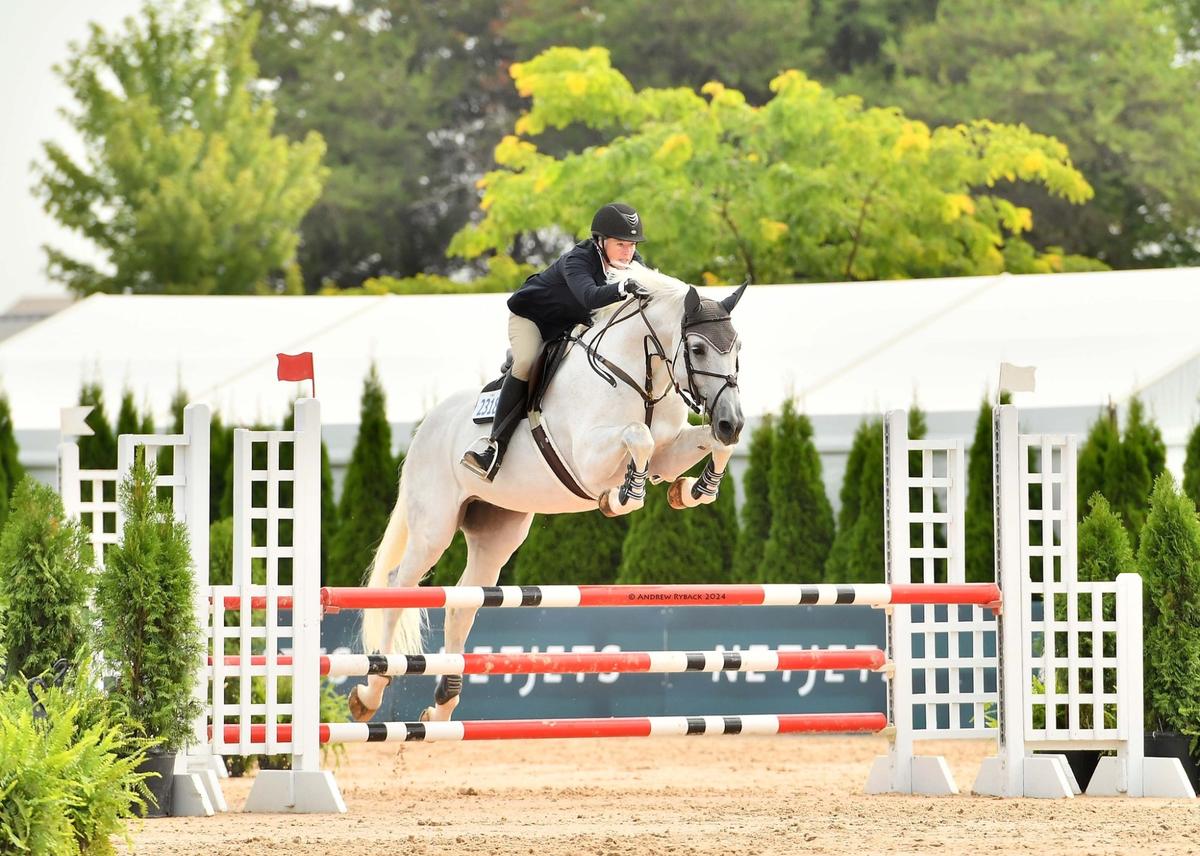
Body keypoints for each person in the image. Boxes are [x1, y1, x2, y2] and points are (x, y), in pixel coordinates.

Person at [461, 202, 650, 480]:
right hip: (533, 319)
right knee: (526, 361)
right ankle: (493, 448)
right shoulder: (578, 260)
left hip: (570, 325)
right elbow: (589, 296)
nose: (628, 252)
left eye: (632, 244)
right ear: (600, 242)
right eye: (621, 244)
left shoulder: (633, 264)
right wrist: (623, 287)